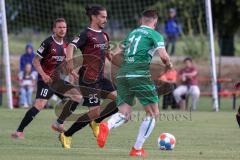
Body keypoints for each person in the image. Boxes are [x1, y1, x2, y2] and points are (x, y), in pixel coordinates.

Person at [96, 10, 172, 157]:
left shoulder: (133, 33)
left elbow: (115, 54)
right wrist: (169, 66)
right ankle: (137, 149)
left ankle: (106, 125)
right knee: (153, 113)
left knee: (125, 114)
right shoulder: (155, 34)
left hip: (123, 74)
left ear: (141, 21)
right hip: (139, 74)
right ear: (155, 23)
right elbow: (163, 56)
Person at [58, 5, 118, 149]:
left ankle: (96, 122)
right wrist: (70, 62)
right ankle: (66, 135)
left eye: (106, 17)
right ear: (94, 17)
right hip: (88, 79)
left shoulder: (104, 35)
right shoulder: (86, 34)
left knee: (120, 100)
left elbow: (108, 54)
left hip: (100, 78)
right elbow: (71, 46)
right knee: (93, 112)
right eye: (103, 17)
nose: (105, 19)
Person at [11, 18, 82, 139]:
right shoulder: (48, 43)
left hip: (57, 80)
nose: (62, 29)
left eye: (64, 27)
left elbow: (64, 62)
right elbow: (35, 61)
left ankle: (58, 123)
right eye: (59, 27)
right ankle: (19, 132)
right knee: (39, 105)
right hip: (46, 80)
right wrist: (43, 75)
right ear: (54, 29)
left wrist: (72, 72)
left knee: (77, 97)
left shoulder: (65, 44)